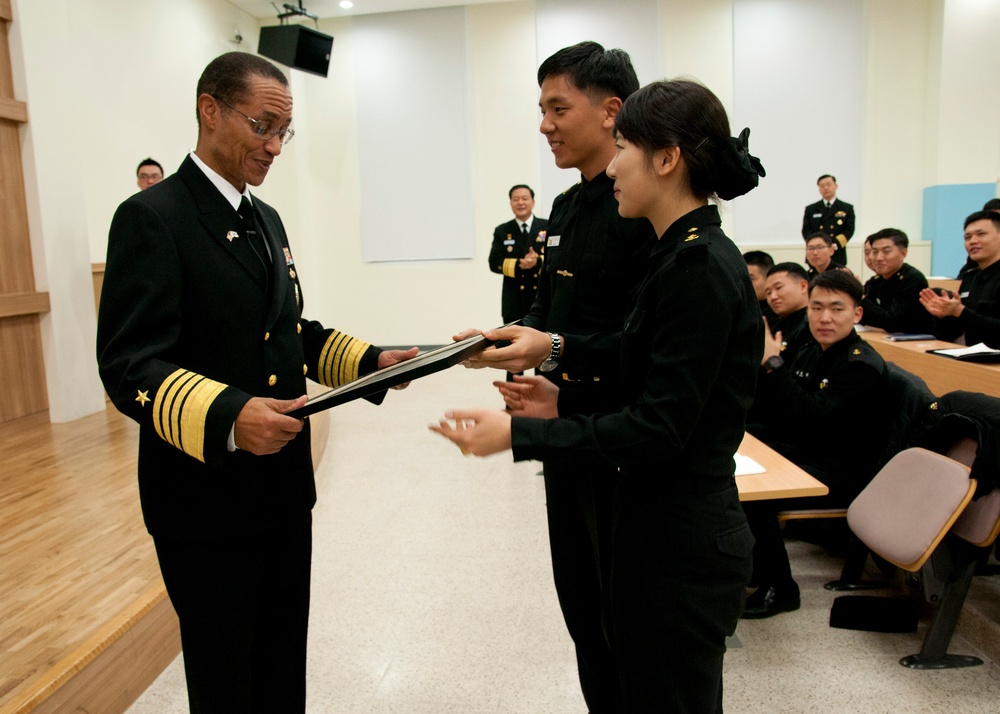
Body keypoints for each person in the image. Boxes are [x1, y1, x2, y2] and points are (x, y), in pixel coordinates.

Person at [97, 52, 416, 712]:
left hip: (281, 492)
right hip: (204, 499)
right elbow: (129, 364)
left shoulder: (264, 219)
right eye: (262, 126)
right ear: (210, 110)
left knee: (279, 670)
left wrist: (370, 361)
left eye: (284, 132)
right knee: (226, 679)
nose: (274, 146)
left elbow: (285, 331)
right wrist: (231, 416)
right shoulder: (153, 218)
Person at [433, 78, 765, 712]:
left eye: (626, 149)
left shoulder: (698, 267)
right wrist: (551, 353)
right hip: (653, 526)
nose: (613, 165)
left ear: (666, 159)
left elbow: (656, 427)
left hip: (680, 537)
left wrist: (520, 434)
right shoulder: (678, 256)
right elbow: (633, 354)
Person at [453, 42, 654, 712]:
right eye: (541, 108)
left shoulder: (645, 215)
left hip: (619, 440)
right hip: (563, 427)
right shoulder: (566, 211)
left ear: (611, 111)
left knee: (628, 616)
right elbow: (547, 308)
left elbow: (642, 342)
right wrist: (507, 343)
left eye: (558, 107)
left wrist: (555, 346)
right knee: (583, 606)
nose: (545, 124)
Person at [743, 270, 890, 619]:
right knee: (733, 450)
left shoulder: (861, 365)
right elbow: (784, 412)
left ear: (857, 314)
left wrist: (773, 364)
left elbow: (811, 419)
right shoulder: (813, 350)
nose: (825, 318)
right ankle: (753, 568)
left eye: (837, 309)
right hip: (809, 449)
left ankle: (781, 589)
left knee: (756, 491)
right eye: (817, 307)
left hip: (841, 470)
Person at [920, 210, 1000, 348]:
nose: (973, 241)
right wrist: (944, 315)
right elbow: (956, 331)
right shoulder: (970, 277)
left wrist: (960, 312)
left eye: (981, 234)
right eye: (967, 237)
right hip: (973, 358)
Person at [488, 184, 549, 327]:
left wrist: (538, 262)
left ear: (533, 202)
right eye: (515, 199)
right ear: (510, 203)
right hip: (514, 299)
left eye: (525, 198)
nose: (520, 202)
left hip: (540, 297)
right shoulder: (502, 230)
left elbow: (558, 257)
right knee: (512, 344)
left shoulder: (547, 226)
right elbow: (494, 262)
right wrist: (519, 264)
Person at [860, 228, 932, 334]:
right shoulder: (875, 281)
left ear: (903, 253)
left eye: (886, 251)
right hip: (886, 336)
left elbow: (894, 322)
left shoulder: (912, 279)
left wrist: (861, 298)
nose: (878, 258)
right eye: (875, 252)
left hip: (915, 339)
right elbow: (863, 316)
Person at [802, 174, 854, 266]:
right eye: (822, 186)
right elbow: (806, 230)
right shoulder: (811, 209)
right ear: (819, 189)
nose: (825, 188)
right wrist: (817, 246)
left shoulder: (847, 208)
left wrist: (832, 246)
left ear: (836, 186)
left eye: (828, 184)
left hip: (837, 253)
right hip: (816, 254)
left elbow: (849, 230)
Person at [744, 250, 777, 323]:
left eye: (751, 278)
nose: (744, 283)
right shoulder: (743, 310)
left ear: (768, 278)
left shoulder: (778, 313)